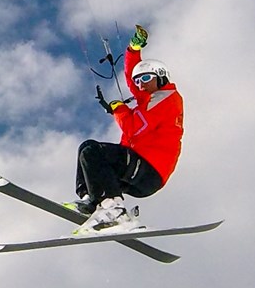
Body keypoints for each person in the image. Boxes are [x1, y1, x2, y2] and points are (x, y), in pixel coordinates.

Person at [74, 25, 182, 230]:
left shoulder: (166, 99)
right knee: (86, 148)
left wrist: (119, 109)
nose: (140, 84)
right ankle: (92, 199)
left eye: (146, 79)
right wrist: (134, 48)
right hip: (139, 171)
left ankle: (113, 209)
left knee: (92, 151)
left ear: (161, 77)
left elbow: (133, 128)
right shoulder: (149, 98)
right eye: (138, 81)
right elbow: (132, 73)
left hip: (149, 169)